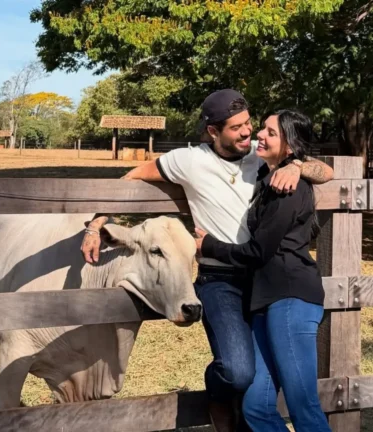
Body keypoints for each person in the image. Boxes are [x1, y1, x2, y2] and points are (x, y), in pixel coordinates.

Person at [80, 90, 334, 432]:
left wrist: (298, 166)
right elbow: (131, 178)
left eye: (249, 123)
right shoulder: (188, 160)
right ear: (213, 131)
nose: (248, 132)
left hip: (263, 279)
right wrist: (96, 224)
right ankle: (217, 394)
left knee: (261, 390)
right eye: (237, 128)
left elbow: (326, 171)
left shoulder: (260, 156)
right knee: (238, 371)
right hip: (220, 279)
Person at [195, 110, 331, 432]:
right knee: (256, 408)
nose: (260, 135)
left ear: (289, 145)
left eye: (271, 132)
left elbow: (258, 252)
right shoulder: (267, 177)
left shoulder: (288, 189)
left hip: (290, 299)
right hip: (264, 302)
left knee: (302, 406)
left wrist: (210, 246)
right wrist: (294, 164)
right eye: (263, 129)